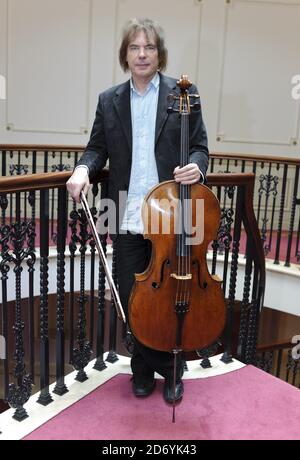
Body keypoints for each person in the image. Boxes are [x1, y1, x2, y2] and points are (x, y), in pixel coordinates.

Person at [66, 18, 209, 403]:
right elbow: (96, 149)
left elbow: (200, 147)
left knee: (167, 301)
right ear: (125, 55)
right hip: (125, 213)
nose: (142, 54)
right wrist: (83, 168)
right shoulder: (109, 99)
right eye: (134, 47)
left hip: (172, 218)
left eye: (148, 47)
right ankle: (154, 368)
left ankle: (165, 370)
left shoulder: (183, 94)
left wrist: (198, 166)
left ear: (158, 53)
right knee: (133, 301)